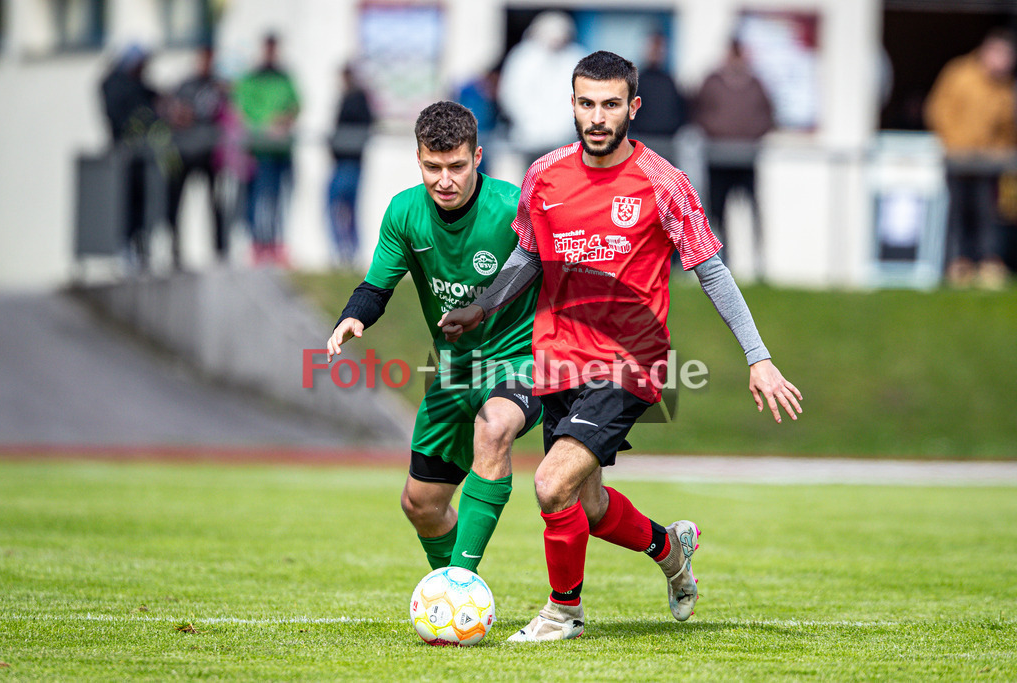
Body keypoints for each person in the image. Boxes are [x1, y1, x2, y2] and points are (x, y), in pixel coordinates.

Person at [440, 51, 801, 642]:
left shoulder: (662, 180)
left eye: (611, 104)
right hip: (558, 357)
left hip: (630, 362)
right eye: (587, 103)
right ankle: (671, 549)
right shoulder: (545, 175)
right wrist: (484, 304)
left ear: (632, 107)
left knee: (551, 483)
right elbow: (528, 255)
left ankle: (564, 613)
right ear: (573, 105)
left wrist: (758, 357)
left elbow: (712, 270)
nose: (598, 116)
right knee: (589, 504)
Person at [325, 101, 542, 574]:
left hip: (519, 360)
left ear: (478, 157)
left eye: (457, 166)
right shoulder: (405, 212)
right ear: (419, 159)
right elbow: (377, 284)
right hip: (455, 373)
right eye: (433, 166)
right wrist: (352, 317)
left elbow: (553, 265)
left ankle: (462, 583)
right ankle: (450, 589)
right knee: (420, 505)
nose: (445, 179)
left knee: (494, 426)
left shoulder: (513, 207)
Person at [925, 28, 1017, 289]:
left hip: (989, 163)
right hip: (958, 159)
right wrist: (955, 145)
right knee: (958, 212)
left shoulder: (1005, 85)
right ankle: (958, 264)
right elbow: (939, 110)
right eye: (1001, 55)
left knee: (989, 214)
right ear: (988, 51)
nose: (1005, 62)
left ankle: (987, 264)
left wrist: (1001, 153)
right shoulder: (960, 74)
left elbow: (1008, 126)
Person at [694, 39, 775, 279]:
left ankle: (759, 264)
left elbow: (769, 116)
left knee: (753, 211)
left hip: (746, 159)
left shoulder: (756, 84)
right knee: (717, 214)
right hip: (717, 159)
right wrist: (715, 131)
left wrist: (750, 137)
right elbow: (698, 112)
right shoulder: (712, 82)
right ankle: (721, 263)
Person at [233, 32, 301, 264]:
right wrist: (268, 125)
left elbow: (296, 104)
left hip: (282, 150)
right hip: (261, 152)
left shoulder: (284, 77)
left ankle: (276, 245)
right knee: (261, 200)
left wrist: (285, 119)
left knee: (281, 199)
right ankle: (259, 245)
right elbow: (244, 110)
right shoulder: (251, 79)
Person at [100, 43, 164, 270]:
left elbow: (155, 104)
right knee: (125, 202)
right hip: (125, 154)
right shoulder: (115, 86)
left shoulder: (139, 86)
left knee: (144, 202)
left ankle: (140, 246)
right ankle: (125, 248)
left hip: (143, 155)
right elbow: (122, 119)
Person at [166, 45, 229, 266]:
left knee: (216, 204)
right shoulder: (185, 86)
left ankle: (220, 250)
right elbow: (175, 113)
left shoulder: (219, 86)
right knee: (177, 203)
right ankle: (175, 250)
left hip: (209, 154)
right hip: (184, 153)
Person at [498, 11, 586, 166]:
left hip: (564, 138)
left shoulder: (575, 58)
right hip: (527, 137)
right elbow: (513, 94)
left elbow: (583, 95)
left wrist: (563, 126)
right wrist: (531, 122)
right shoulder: (523, 58)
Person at [326, 63, 374, 265]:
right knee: (348, 209)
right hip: (349, 163)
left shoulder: (354, 99)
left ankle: (345, 249)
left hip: (348, 162)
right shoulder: (356, 98)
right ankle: (348, 249)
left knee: (338, 207)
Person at [630, 32, 688, 163]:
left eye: (660, 48)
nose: (656, 52)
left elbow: (681, 110)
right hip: (643, 141)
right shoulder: (637, 80)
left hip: (667, 144)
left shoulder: (669, 81)